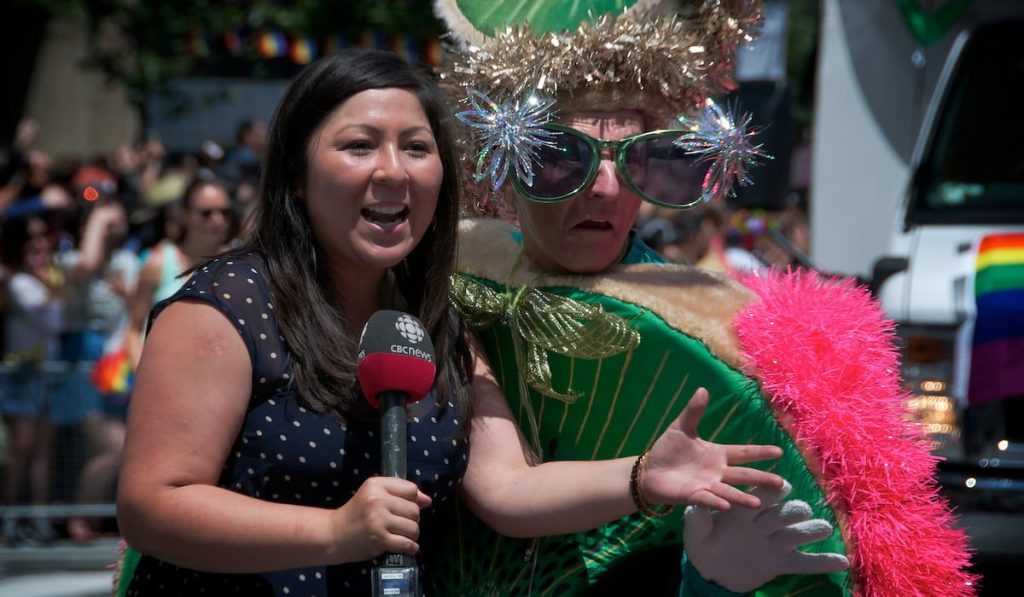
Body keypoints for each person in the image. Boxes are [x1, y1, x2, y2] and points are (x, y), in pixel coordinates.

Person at [115, 48, 786, 596]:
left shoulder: (433, 318)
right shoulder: (226, 304)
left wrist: (643, 476)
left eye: (415, 147)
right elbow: (151, 504)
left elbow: (508, 487)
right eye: (358, 145)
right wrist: (335, 531)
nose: (391, 171)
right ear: (295, 174)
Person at [430, 0, 975, 595]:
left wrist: (715, 577)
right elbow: (498, 489)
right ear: (508, 160)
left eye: (637, 158)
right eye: (564, 156)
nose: (607, 188)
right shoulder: (451, 280)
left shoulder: (715, 329)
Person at [123, 176, 233, 368]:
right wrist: (144, 378)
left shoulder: (238, 265)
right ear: (185, 214)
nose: (218, 220)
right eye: (206, 213)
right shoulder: (157, 263)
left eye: (224, 212)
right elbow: (134, 328)